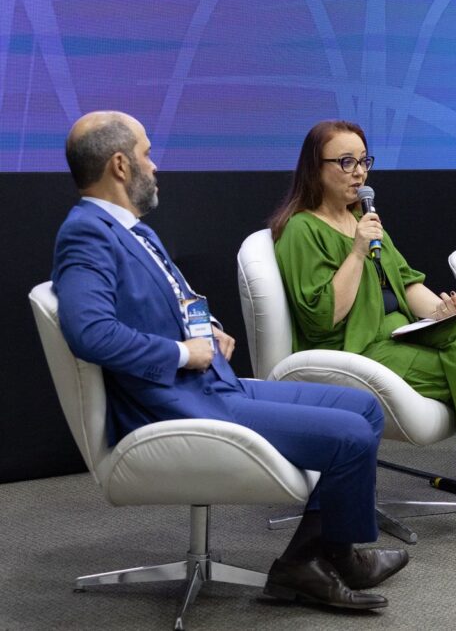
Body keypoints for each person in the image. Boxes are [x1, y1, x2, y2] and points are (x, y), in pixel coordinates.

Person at [52, 111, 408, 611]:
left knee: (363, 407)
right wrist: (183, 351)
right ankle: (302, 566)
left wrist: (208, 328)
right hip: (174, 400)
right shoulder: (87, 234)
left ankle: (334, 555)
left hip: (213, 384)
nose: (154, 166)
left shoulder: (134, 231)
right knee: (349, 436)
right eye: (147, 154)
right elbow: (90, 333)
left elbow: (175, 301)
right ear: (119, 165)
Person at [270, 120, 456, 544]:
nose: (359, 172)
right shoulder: (301, 230)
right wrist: (357, 251)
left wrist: (442, 312)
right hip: (353, 349)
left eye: (364, 161)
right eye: (346, 162)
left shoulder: (364, 219)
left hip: (397, 333)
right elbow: (324, 319)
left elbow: (406, 282)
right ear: (315, 168)